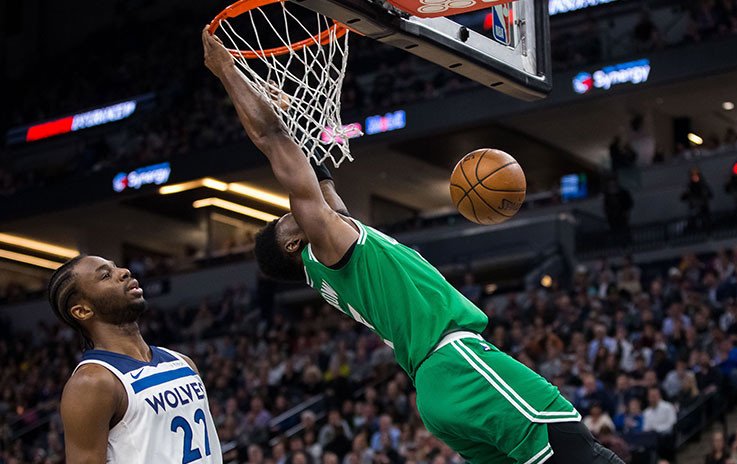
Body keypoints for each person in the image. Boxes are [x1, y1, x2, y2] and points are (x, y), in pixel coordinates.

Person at [203, 27, 625, 464]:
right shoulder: (324, 244)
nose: (295, 209)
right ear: (292, 244)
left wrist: (292, 118)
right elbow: (274, 143)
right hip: (455, 362)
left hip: (436, 389)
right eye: (287, 218)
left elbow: (321, 181)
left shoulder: (335, 253)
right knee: (574, 445)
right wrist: (228, 72)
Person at [48, 255, 221, 463]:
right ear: (83, 311)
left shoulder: (182, 361)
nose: (123, 272)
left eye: (115, 267)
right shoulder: (92, 382)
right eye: (105, 275)